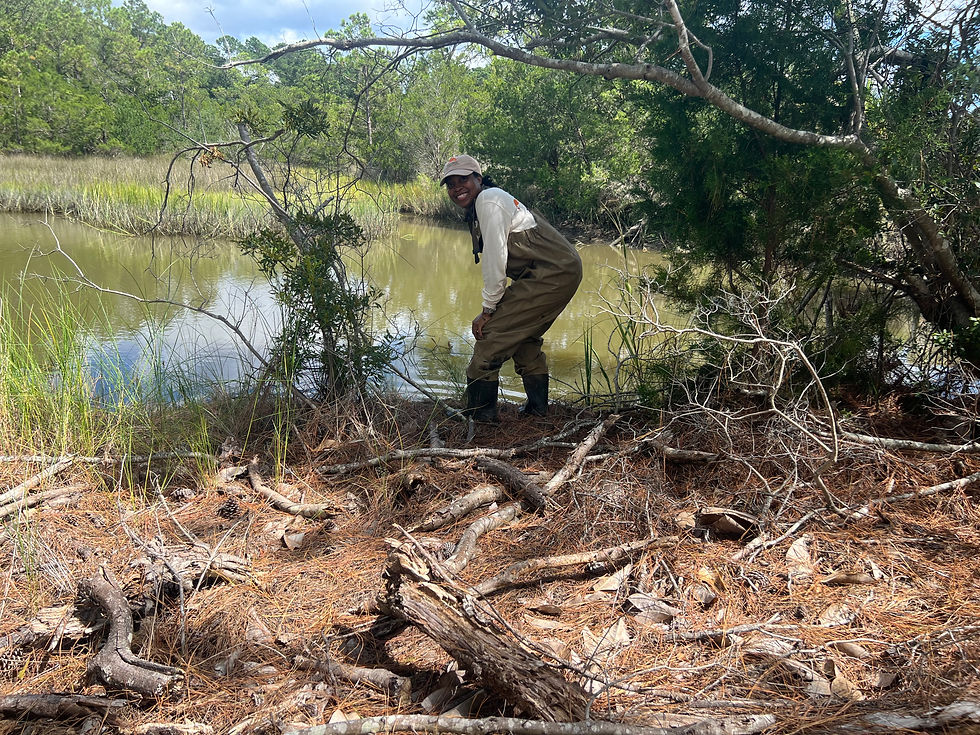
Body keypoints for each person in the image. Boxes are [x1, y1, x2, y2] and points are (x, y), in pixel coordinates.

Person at [440, 154, 583, 421]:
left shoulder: (489, 200)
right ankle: (537, 412)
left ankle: (481, 419)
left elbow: (495, 260)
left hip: (553, 274)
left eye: (463, 180)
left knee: (490, 337)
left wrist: (488, 310)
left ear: (478, 179)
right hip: (555, 272)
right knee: (523, 338)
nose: (457, 187)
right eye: (451, 184)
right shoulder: (485, 202)